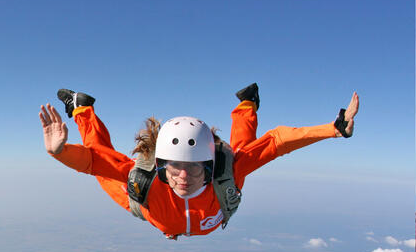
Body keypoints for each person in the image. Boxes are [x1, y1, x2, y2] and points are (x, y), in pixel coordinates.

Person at [39, 84, 359, 239]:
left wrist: (333, 129)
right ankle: (82, 109)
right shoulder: (145, 179)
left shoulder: (224, 172)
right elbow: (94, 161)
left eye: (194, 167)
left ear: (208, 165)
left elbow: (277, 142)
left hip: (192, 196)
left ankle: (248, 104)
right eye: (173, 167)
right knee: (104, 167)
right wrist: (60, 152)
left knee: (241, 153)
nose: (182, 176)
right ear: (160, 164)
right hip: (144, 205)